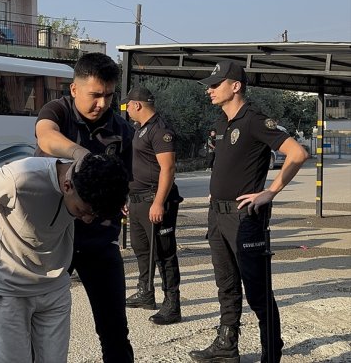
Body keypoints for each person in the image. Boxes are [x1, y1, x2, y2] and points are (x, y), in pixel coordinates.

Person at [189, 61, 309, 363]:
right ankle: (227, 345)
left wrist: (270, 191)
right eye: (209, 85)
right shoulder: (221, 124)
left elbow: (298, 153)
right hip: (217, 215)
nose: (210, 90)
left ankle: (271, 353)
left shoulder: (254, 120)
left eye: (216, 84)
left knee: (257, 291)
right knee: (226, 285)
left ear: (236, 86)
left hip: (244, 218)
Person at [0, 153, 130, 363]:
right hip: (9, 286)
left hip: (55, 286)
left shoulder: (89, 184)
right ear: (68, 186)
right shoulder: (20, 177)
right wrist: (2, 226)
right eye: (82, 211)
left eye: (93, 215)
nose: (86, 219)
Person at [34, 52, 135, 362]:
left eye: (108, 95)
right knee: (38, 328)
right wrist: (81, 155)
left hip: (98, 242)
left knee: (115, 331)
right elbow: (46, 136)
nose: (101, 103)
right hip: (50, 243)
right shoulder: (58, 112)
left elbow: (126, 180)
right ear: (74, 89)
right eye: (94, 95)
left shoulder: (121, 129)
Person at [123, 86, 183, 325]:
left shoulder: (160, 130)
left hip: (154, 200)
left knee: (164, 253)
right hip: (138, 200)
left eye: (127, 105)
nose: (126, 110)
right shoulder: (140, 129)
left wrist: (158, 202)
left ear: (136, 105)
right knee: (142, 250)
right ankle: (146, 291)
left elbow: (168, 169)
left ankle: (172, 304)